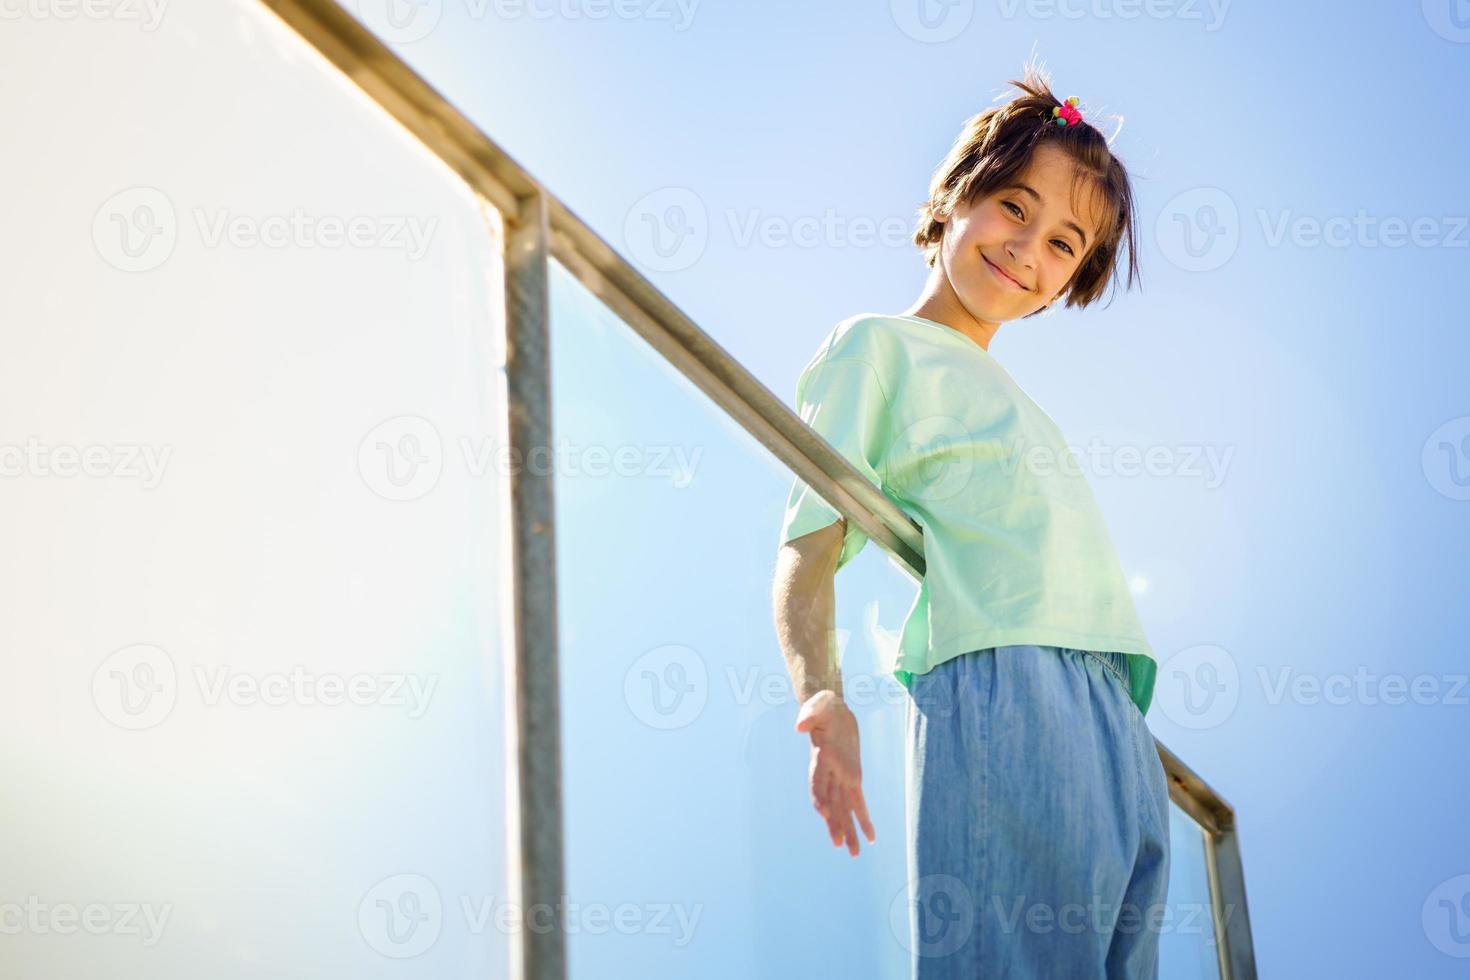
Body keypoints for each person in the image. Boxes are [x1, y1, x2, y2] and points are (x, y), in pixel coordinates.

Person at [770, 59, 1171, 978]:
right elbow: (809, 542)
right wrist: (819, 695)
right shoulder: (875, 346)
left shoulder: (1014, 396)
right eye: (1015, 209)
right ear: (957, 198)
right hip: (1007, 674)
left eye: (1064, 244)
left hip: (1115, 709)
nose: (1028, 251)